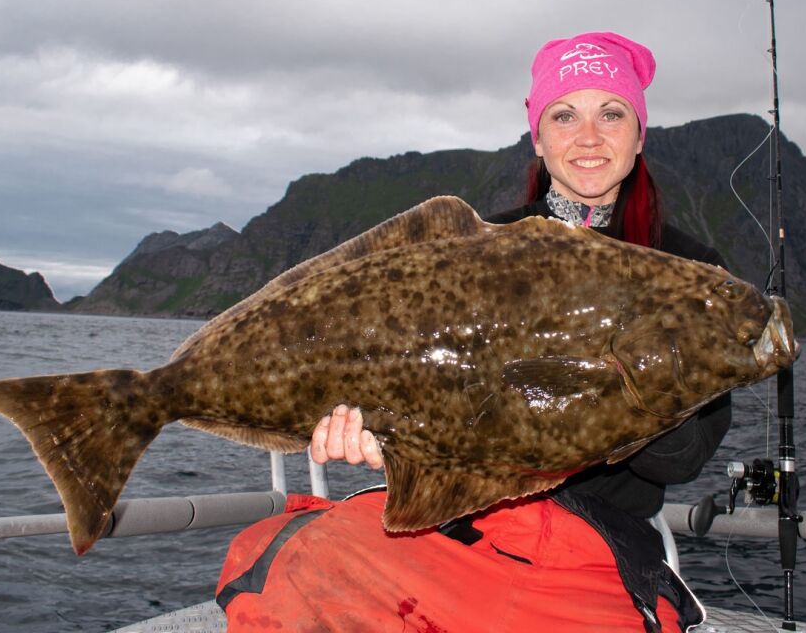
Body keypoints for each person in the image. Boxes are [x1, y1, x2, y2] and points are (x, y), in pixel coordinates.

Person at [215, 32, 730, 633]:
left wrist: (642, 372)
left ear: (639, 134)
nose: (589, 137)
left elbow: (684, 459)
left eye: (611, 114)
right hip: (458, 526)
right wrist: (384, 439)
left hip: (592, 538)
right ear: (538, 137)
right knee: (279, 565)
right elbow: (435, 392)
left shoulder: (690, 272)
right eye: (565, 115)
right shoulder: (477, 248)